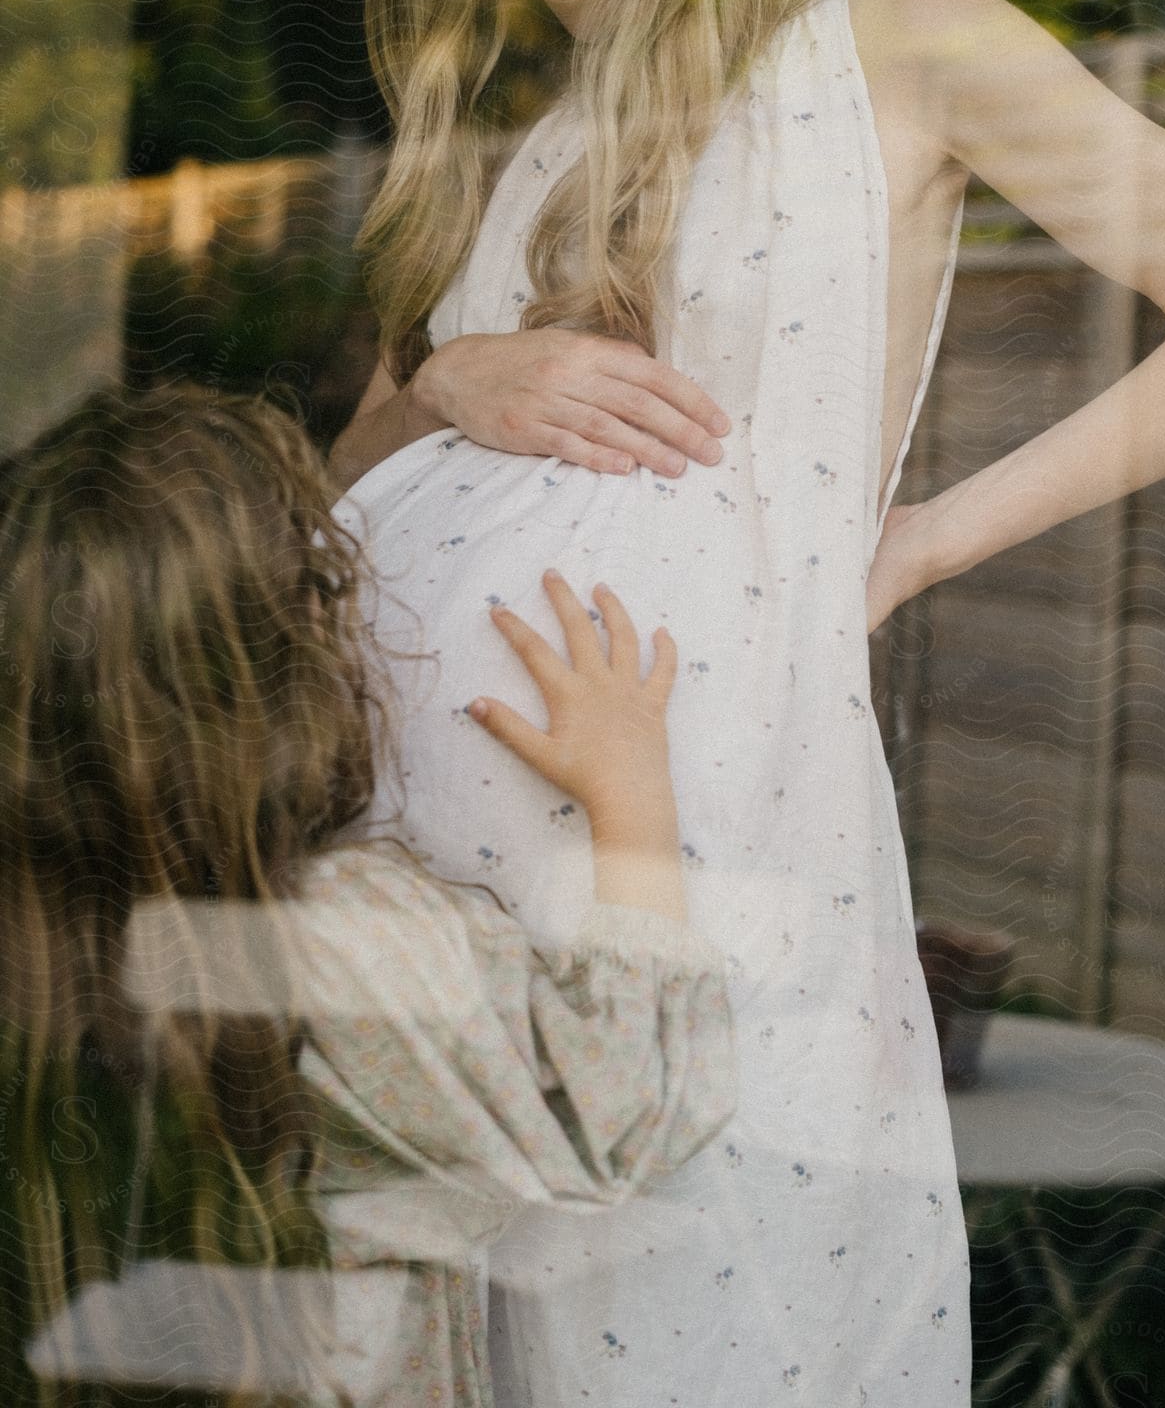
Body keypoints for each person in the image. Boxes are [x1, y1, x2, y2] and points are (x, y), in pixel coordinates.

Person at [331, 0, 1165, 1407]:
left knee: (699, 1316)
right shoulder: (540, 113)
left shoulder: (898, 29)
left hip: (721, 825)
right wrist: (449, 378)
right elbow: (350, 467)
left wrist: (923, 541)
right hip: (433, 899)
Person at [0, 381, 735, 1408]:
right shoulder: (337, 940)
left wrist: (447, 381)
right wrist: (633, 804)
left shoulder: (35, 932)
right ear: (284, 648)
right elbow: (612, 1116)